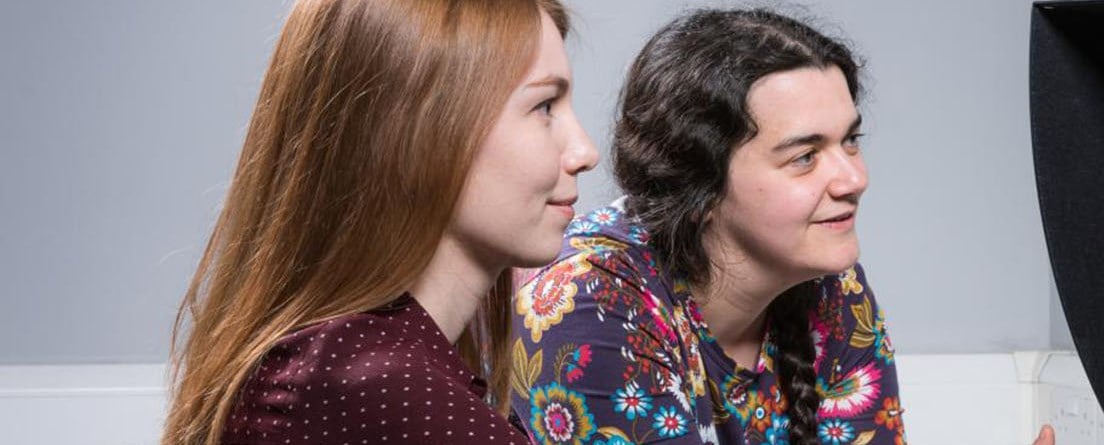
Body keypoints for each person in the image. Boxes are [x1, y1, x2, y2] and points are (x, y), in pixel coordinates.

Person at [160, 0, 597, 443]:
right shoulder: (376, 393)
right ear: (415, 135)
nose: (584, 152)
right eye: (544, 106)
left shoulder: (338, 367)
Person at [509, 8, 903, 445]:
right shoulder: (588, 305)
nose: (855, 179)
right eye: (804, 157)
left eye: (850, 141)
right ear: (700, 186)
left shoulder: (832, 285)